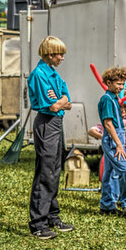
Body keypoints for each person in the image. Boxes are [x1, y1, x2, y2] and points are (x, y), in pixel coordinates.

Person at [27, 36, 74, 239]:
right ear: (50, 54)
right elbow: (54, 106)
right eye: (60, 54)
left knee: (54, 170)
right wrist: (61, 100)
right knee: (45, 172)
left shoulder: (53, 74)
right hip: (46, 122)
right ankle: (38, 223)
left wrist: (61, 100)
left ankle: (52, 217)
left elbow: (68, 102)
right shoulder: (39, 74)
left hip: (56, 123)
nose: (62, 58)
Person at [97, 66, 126, 218]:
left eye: (123, 84)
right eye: (119, 84)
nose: (121, 87)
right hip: (113, 140)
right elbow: (108, 123)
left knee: (109, 172)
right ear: (109, 83)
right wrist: (119, 144)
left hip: (116, 137)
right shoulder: (107, 99)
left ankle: (107, 205)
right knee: (125, 170)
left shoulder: (113, 98)